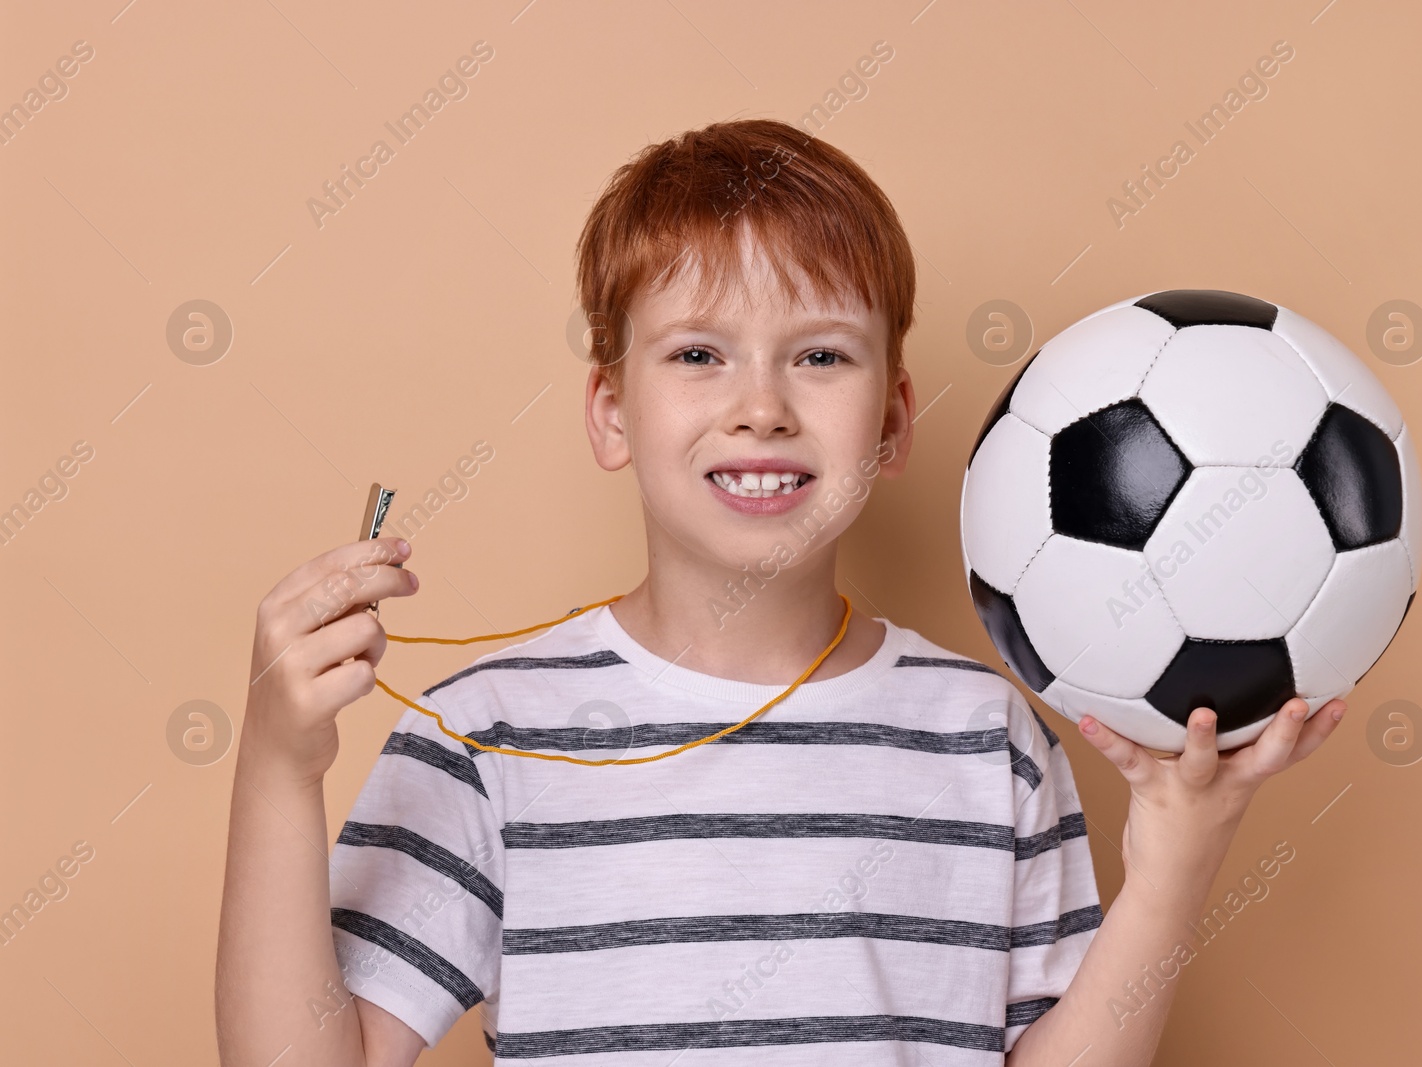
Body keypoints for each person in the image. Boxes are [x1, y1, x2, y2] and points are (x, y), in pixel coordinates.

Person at [215, 118, 1345, 1067]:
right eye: (699, 354)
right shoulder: (488, 734)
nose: (760, 406)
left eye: (819, 356)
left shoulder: (983, 734)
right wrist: (277, 763)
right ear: (611, 411)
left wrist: (1179, 855)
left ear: (894, 419)